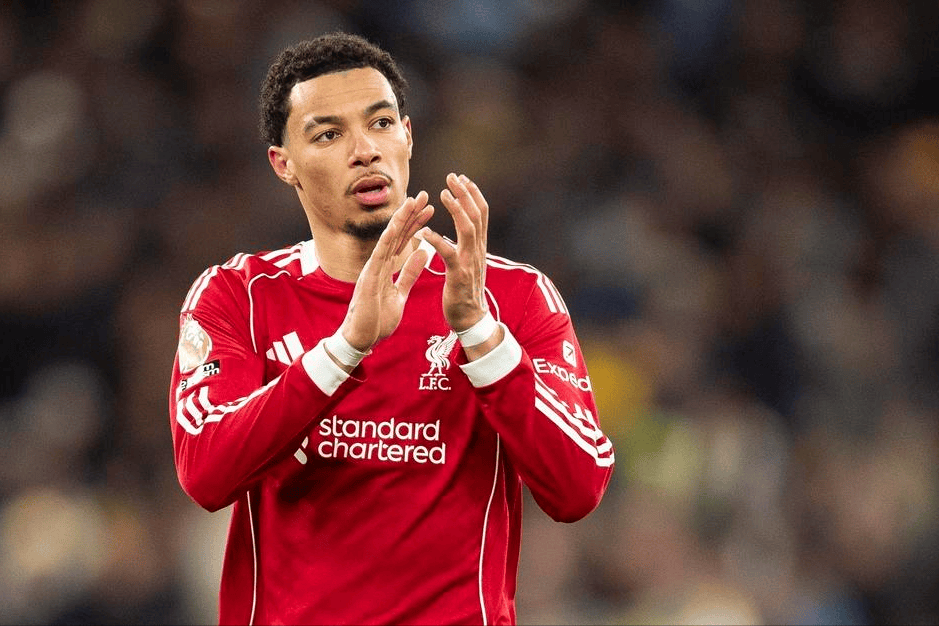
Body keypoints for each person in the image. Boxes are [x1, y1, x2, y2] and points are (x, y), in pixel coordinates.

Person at [169, 31, 614, 625]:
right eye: (328, 135)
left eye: (380, 124)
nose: (365, 150)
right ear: (284, 164)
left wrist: (480, 335)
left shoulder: (511, 297)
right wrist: (345, 349)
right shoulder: (238, 296)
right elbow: (206, 473)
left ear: (408, 135)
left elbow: (578, 489)